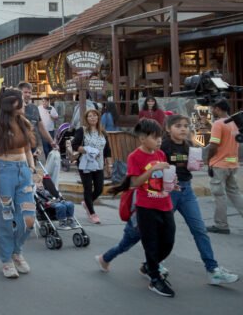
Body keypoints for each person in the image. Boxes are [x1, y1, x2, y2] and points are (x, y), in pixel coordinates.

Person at [95, 115, 239, 286]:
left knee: (199, 230)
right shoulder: (161, 146)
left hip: (185, 191)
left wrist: (195, 166)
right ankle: (113, 258)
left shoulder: (188, 145)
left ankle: (212, 269)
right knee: (137, 235)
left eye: (186, 125)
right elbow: (145, 172)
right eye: (178, 126)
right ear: (168, 129)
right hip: (161, 194)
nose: (183, 129)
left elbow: (185, 168)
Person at [0, 88, 36, 279]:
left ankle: (16, 251)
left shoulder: (24, 122)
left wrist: (31, 168)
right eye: (20, 100)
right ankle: (6, 259)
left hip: (23, 171)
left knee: (29, 218)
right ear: (10, 104)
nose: (24, 103)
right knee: (5, 218)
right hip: (2, 172)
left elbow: (27, 149)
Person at [125, 118, 176, 297]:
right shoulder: (134, 157)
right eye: (155, 137)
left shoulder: (160, 154)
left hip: (165, 203)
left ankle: (149, 266)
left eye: (160, 137)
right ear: (142, 138)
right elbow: (134, 183)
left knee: (168, 241)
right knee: (151, 244)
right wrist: (152, 170)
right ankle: (155, 279)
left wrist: (172, 183)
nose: (159, 140)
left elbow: (161, 178)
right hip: (146, 206)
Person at [206, 99, 243, 234]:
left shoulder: (218, 123)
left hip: (219, 165)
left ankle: (221, 225)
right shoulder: (234, 123)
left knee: (219, 195)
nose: (211, 111)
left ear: (217, 109)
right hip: (232, 164)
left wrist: (208, 160)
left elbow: (213, 145)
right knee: (235, 193)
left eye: (212, 108)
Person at [71, 109, 112, 224]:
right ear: (86, 119)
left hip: (99, 164)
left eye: (95, 116)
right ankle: (92, 213)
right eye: (90, 116)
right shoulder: (82, 131)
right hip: (85, 164)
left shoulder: (102, 132)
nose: (93, 118)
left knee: (99, 188)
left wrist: (109, 165)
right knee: (88, 188)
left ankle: (86, 203)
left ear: (98, 118)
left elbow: (107, 150)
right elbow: (74, 145)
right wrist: (88, 150)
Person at [17, 82, 58, 157]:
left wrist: (52, 142)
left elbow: (41, 127)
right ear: (19, 93)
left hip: (33, 146)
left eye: (30, 92)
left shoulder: (34, 108)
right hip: (18, 148)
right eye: (25, 92)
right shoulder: (14, 108)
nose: (28, 95)